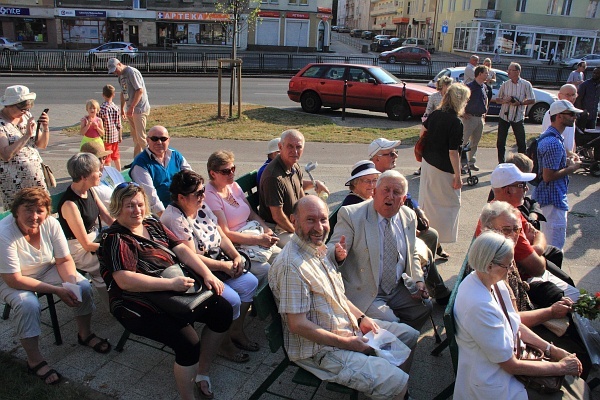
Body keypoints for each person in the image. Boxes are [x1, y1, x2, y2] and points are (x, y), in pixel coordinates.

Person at [269, 195, 419, 399]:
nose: (319, 227)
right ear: (294, 221)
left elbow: (337, 295)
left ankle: (387, 391)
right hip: (320, 351)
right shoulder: (291, 266)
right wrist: (346, 343)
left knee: (408, 336)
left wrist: (360, 318)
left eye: (323, 219)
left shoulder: (317, 249)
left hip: (346, 326)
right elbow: (298, 325)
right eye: (310, 220)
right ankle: (394, 390)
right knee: (397, 382)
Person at [97, 182, 232, 400]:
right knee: (188, 344)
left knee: (223, 311)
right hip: (136, 302)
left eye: (140, 204)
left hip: (173, 287)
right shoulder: (116, 239)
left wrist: (207, 274)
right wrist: (171, 285)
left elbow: (181, 250)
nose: (137, 210)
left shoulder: (151, 222)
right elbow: (125, 281)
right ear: (117, 208)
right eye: (129, 205)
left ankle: (201, 372)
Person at [453, 231, 589, 400]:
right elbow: (511, 366)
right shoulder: (479, 306)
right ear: (489, 266)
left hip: (507, 366)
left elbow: (515, 323)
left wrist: (552, 350)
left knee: (578, 387)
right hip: (494, 382)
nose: (511, 269)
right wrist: (561, 367)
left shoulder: (490, 282)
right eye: (508, 264)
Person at [0, 188, 110, 385]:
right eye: (28, 210)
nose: (34, 216)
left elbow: (64, 259)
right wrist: (58, 290)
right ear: (16, 210)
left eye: (40, 210)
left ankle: (84, 334)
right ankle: (34, 361)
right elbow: (13, 280)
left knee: (82, 286)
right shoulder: (4, 232)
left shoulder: (50, 223)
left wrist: (69, 284)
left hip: (45, 268)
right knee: (28, 305)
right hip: (12, 278)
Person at [478, 201, 593, 380]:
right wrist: (550, 313)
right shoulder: (494, 270)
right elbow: (512, 322)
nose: (515, 236)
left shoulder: (502, 258)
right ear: (488, 231)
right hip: (514, 341)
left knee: (569, 314)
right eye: (507, 230)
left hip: (520, 321)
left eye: (517, 229)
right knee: (579, 352)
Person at [160, 169, 259, 364]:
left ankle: (236, 331)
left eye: (202, 191)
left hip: (218, 263)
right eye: (197, 193)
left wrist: (236, 255)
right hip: (196, 272)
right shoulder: (175, 218)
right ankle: (224, 344)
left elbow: (220, 234)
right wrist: (223, 266)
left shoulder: (200, 206)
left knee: (250, 283)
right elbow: (191, 258)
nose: (203, 196)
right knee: (232, 300)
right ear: (181, 197)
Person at [329, 170, 433, 330]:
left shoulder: (409, 216)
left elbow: (412, 254)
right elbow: (332, 247)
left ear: (403, 199)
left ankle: (396, 346)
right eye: (385, 190)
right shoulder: (352, 215)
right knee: (393, 324)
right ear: (375, 192)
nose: (390, 196)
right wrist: (337, 254)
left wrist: (418, 281)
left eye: (396, 192)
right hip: (366, 291)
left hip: (398, 287)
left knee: (425, 307)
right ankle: (392, 344)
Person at [482, 162, 579, 304]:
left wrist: (536, 242)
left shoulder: (505, 209)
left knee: (556, 255)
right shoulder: (506, 220)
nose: (527, 188)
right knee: (574, 296)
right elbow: (538, 268)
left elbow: (537, 234)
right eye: (521, 185)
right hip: (516, 283)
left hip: (520, 273)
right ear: (508, 190)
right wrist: (538, 246)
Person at [204, 151, 278, 284]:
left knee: (283, 258)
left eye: (233, 169)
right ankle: (261, 304)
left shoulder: (232, 185)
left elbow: (251, 213)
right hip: (237, 247)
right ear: (213, 173)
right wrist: (258, 240)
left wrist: (266, 229)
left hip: (253, 235)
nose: (231, 173)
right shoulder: (210, 195)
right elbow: (225, 234)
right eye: (226, 171)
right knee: (267, 271)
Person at [369, 137, 448, 259]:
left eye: (396, 152)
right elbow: (379, 213)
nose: (395, 156)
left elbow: (407, 197)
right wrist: (406, 227)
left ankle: (423, 269)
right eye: (391, 154)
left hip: (404, 219)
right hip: (387, 232)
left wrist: (418, 210)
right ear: (377, 158)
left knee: (430, 232)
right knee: (431, 235)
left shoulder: (390, 176)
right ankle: (421, 271)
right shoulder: (372, 181)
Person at [57, 153, 114, 307]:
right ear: (84, 176)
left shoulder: (90, 190)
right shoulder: (70, 204)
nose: (101, 173)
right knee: (111, 259)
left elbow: (108, 218)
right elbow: (86, 245)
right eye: (97, 170)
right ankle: (114, 305)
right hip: (79, 248)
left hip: (95, 237)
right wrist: (113, 245)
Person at [258, 129, 329, 247]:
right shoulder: (273, 176)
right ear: (280, 147)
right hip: (278, 229)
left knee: (322, 233)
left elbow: (300, 192)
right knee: (308, 245)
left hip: (294, 221)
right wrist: (298, 231)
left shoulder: (294, 165)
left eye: (298, 147)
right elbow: (278, 216)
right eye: (290, 146)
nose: (294, 151)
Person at [419, 83, 470, 244]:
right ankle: (439, 239)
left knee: (428, 203)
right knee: (450, 205)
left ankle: (428, 237)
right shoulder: (456, 122)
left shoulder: (435, 114)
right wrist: (458, 176)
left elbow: (423, 132)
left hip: (428, 162)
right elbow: (453, 152)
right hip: (444, 168)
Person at [533, 100, 582, 250]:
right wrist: (573, 168)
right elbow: (548, 176)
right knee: (553, 249)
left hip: (549, 200)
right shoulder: (554, 143)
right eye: (571, 114)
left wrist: (566, 162)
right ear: (559, 116)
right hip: (552, 202)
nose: (574, 117)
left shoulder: (550, 138)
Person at [0, 85, 50, 210]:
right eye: (22, 108)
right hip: (15, 185)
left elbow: (41, 144)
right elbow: (5, 155)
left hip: (36, 182)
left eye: (28, 108)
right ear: (10, 105)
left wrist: (45, 128)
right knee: (20, 218)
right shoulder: (1, 124)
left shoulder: (26, 116)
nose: (26, 111)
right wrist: (26, 135)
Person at [130, 125, 191, 216]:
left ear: (168, 140)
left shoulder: (175, 155)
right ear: (147, 140)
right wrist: (166, 219)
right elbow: (151, 197)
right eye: (154, 139)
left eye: (163, 139)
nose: (159, 142)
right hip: (158, 214)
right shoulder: (140, 164)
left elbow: (191, 178)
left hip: (180, 207)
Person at [108, 57, 150, 157]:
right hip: (131, 109)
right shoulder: (120, 76)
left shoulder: (131, 72)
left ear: (119, 64)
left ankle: (152, 158)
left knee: (141, 137)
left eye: (115, 70)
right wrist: (122, 108)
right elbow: (123, 92)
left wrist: (132, 107)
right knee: (135, 137)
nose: (115, 73)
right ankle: (137, 160)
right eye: (113, 72)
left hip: (139, 108)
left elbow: (139, 91)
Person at [494, 62, 536, 162]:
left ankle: (522, 163)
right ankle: (501, 162)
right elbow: (497, 99)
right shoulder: (505, 84)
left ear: (517, 72)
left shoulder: (526, 84)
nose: (508, 72)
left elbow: (532, 100)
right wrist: (505, 100)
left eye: (510, 70)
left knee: (521, 142)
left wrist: (520, 103)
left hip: (518, 117)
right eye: (508, 70)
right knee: (500, 142)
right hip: (504, 116)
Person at [415, 76, 453, 176]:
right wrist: (426, 122)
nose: (450, 87)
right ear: (443, 85)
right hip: (434, 125)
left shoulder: (452, 97)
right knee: (428, 147)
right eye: (448, 85)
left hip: (446, 126)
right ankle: (422, 167)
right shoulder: (434, 96)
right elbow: (428, 110)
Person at [80, 141, 126, 208]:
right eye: (98, 159)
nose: (102, 161)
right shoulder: (88, 182)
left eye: (104, 157)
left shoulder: (112, 170)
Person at [462, 65, 489, 171]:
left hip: (479, 118)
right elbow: (462, 101)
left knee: (475, 142)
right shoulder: (469, 87)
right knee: (463, 142)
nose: (487, 75)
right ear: (480, 74)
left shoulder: (484, 87)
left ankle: (471, 162)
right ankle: (461, 164)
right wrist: (463, 113)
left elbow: (485, 100)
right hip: (469, 118)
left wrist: (485, 113)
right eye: (486, 73)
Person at [541, 84, 578, 154]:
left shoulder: (571, 114)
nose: (571, 98)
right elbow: (550, 138)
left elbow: (571, 137)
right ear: (559, 96)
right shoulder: (552, 112)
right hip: (556, 154)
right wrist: (569, 154)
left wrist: (573, 153)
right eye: (567, 95)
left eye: (573, 95)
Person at [98, 84, 122, 171]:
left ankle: (109, 173)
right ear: (113, 95)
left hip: (105, 137)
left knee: (107, 157)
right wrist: (120, 135)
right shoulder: (116, 107)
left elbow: (100, 122)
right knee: (116, 155)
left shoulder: (101, 108)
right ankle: (119, 172)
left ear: (103, 95)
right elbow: (119, 124)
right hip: (115, 135)